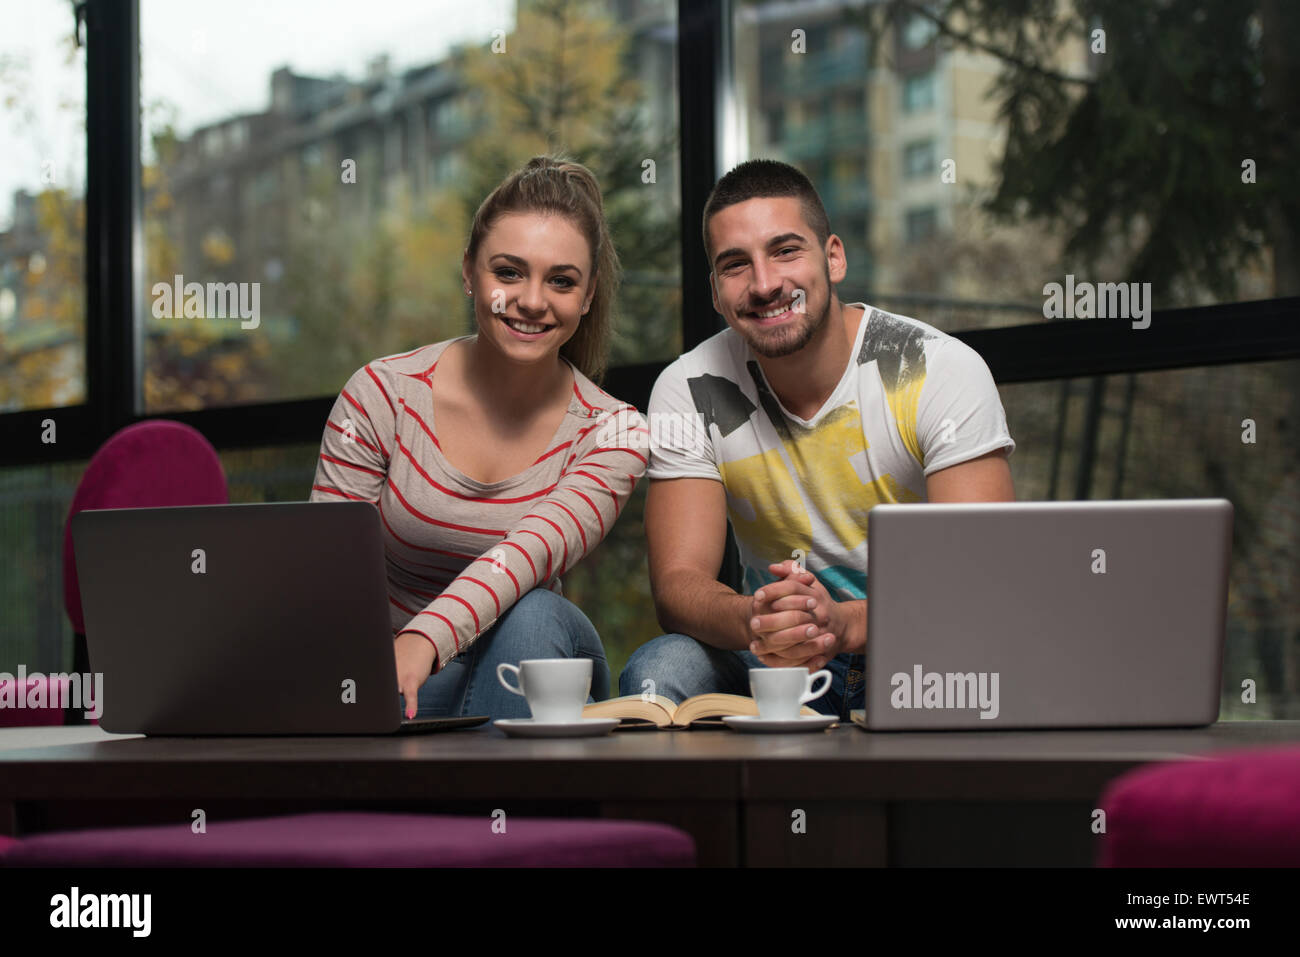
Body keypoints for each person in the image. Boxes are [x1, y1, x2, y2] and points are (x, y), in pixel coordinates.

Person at [620, 159, 1017, 720]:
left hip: (916, 650)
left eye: (786, 251)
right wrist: (760, 618)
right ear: (714, 291)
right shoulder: (690, 387)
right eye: (736, 265)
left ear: (833, 257)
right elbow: (678, 585)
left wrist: (844, 623)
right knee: (660, 670)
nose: (764, 284)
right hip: (775, 662)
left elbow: (982, 582)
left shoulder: (933, 369)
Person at [311, 156, 648, 720]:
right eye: (509, 272)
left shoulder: (615, 431)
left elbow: (523, 556)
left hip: (529, 670)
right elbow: (327, 575)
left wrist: (425, 639)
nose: (534, 300)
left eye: (561, 281)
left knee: (534, 611)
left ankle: (500, 808)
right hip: (389, 677)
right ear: (469, 271)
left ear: (588, 297)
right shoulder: (381, 394)